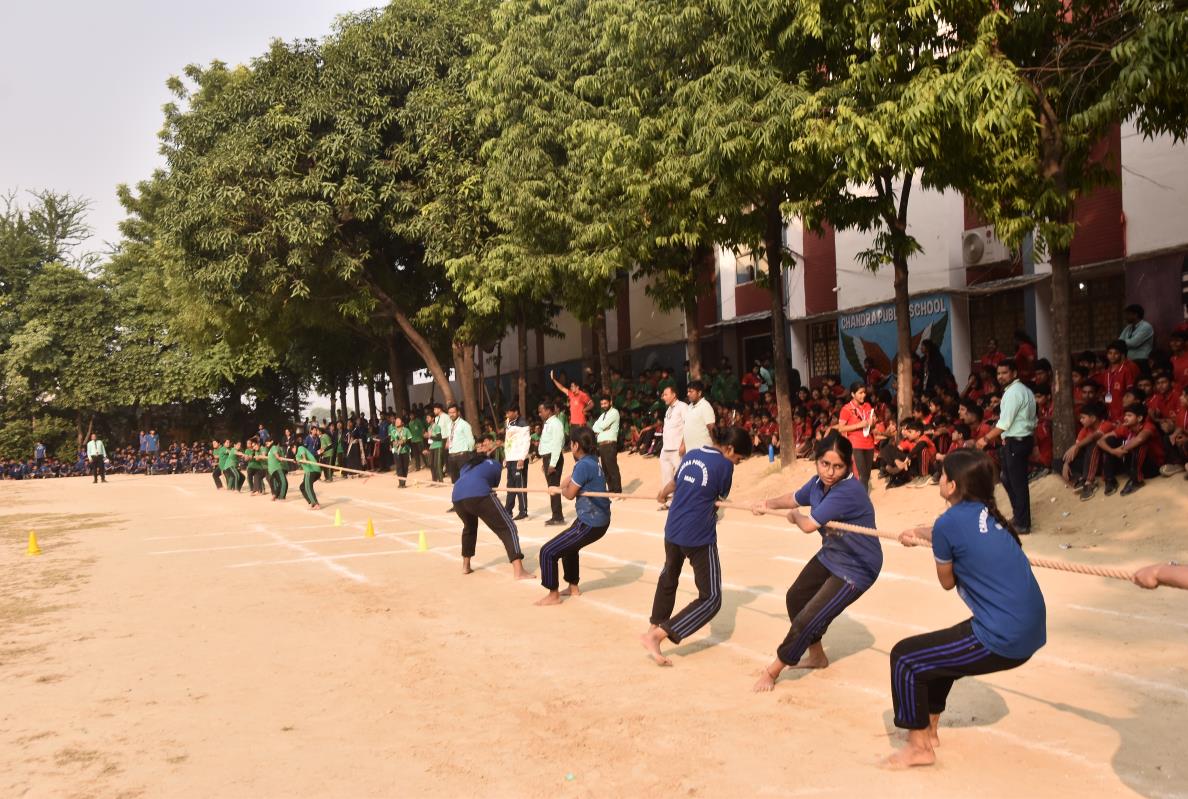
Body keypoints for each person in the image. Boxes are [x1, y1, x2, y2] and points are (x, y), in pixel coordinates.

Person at [886, 449, 1046, 769]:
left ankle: (919, 748)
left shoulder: (949, 523)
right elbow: (950, 533)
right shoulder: (987, 514)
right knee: (938, 655)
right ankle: (930, 731)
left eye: (943, 475)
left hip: (1003, 638)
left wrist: (939, 544)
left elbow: (946, 582)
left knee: (905, 656)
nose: (940, 479)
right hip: (1030, 630)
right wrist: (920, 533)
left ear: (952, 486)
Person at [751, 432, 883, 691]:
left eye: (838, 466)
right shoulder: (817, 484)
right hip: (833, 553)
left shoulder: (848, 491)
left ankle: (772, 671)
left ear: (848, 466)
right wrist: (767, 504)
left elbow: (808, 525)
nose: (830, 472)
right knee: (796, 598)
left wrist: (795, 517)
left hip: (857, 567)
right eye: (825, 464)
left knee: (808, 618)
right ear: (817, 460)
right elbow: (794, 498)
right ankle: (817, 656)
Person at [640, 426, 753, 667]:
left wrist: (662, 493)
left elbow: (675, 483)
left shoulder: (692, 453)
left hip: (673, 529)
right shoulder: (725, 466)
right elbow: (719, 497)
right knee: (711, 598)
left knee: (669, 576)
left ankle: (654, 625)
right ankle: (657, 635)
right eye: (739, 458)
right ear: (730, 449)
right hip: (698, 536)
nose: (737, 462)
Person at [535, 428, 612, 606]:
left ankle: (553, 595)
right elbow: (566, 482)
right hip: (597, 520)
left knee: (548, 551)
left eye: (571, 444)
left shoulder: (584, 465)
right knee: (569, 548)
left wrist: (559, 491)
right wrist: (558, 487)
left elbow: (569, 494)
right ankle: (573, 587)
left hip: (590, 522)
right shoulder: (592, 461)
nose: (570, 447)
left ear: (576, 445)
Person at [451, 439, 533, 579]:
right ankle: (519, 571)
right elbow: (493, 486)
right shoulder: (494, 464)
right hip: (479, 494)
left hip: (457, 498)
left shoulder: (466, 466)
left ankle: (466, 566)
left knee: (469, 528)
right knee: (508, 527)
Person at [976, 359, 1036, 533]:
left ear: (1014, 373)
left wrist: (985, 439)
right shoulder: (1023, 390)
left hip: (1016, 441)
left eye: (1004, 373)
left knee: (1017, 483)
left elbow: (1004, 424)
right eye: (999, 373)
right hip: (1019, 440)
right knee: (1007, 478)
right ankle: (1019, 518)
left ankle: (1022, 523)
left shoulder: (1013, 393)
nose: (1000, 376)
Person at [1097, 402, 1164, 495]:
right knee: (1110, 440)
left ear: (1139, 418)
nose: (1125, 418)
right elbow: (1100, 441)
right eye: (1125, 415)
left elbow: (1140, 439)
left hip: (1153, 467)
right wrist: (1113, 451)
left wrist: (1123, 449)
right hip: (1132, 465)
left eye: (1129, 415)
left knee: (1139, 443)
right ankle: (1110, 480)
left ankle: (1136, 481)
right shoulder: (1126, 428)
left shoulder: (1148, 426)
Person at [1062, 402, 1113, 500]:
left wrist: (1076, 446)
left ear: (1093, 418)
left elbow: (1094, 436)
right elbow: (1075, 450)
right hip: (1089, 462)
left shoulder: (1106, 425)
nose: (1081, 420)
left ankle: (1089, 482)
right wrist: (1066, 463)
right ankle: (1079, 480)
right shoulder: (1084, 430)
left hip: (1105, 463)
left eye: (1083, 417)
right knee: (1058, 461)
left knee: (1093, 444)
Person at [836, 382, 876, 489]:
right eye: (860, 393)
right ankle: (861, 497)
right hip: (855, 444)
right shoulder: (846, 409)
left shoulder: (867, 406)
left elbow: (871, 424)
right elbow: (841, 428)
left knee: (866, 475)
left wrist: (873, 422)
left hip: (869, 443)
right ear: (853, 394)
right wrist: (859, 425)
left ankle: (862, 496)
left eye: (864, 392)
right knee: (861, 475)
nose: (863, 395)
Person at [658, 385, 688, 509]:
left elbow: (688, 426)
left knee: (679, 475)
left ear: (674, 394)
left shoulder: (683, 407)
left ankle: (681, 500)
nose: (663, 397)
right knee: (666, 475)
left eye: (666, 394)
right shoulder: (668, 409)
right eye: (663, 395)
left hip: (677, 448)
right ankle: (670, 500)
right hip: (666, 448)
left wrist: (684, 444)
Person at [538, 401, 566, 526]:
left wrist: (552, 463)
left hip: (553, 458)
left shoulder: (555, 423)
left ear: (548, 410)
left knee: (553, 487)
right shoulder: (548, 423)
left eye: (541, 411)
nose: (540, 414)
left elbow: (557, 444)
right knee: (551, 487)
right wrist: (545, 461)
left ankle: (558, 517)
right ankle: (556, 515)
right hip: (548, 458)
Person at [502, 405, 531, 520]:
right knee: (510, 486)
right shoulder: (507, 422)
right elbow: (507, 440)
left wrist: (522, 458)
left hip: (519, 459)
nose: (507, 415)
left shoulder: (523, 423)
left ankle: (523, 511)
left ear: (516, 412)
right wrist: (506, 456)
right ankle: (508, 511)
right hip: (510, 458)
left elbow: (526, 441)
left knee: (520, 486)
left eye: (509, 412)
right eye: (506, 413)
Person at [591, 395, 623, 495]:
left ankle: (618, 491)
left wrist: (601, 428)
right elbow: (594, 427)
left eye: (605, 403)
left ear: (610, 402)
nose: (603, 405)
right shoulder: (602, 415)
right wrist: (602, 428)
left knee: (612, 468)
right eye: (602, 404)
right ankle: (611, 490)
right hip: (602, 445)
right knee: (605, 469)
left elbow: (602, 426)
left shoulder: (614, 412)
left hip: (610, 444)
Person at [1119, 304, 1155, 375]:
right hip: (1129, 361)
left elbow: (1134, 343)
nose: (1126, 317)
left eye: (1128, 314)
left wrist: (1122, 343)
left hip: (1142, 361)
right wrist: (1122, 342)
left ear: (1135, 315)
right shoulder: (1128, 327)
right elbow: (1118, 342)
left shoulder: (1146, 326)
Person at [682, 380, 716, 453]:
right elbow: (686, 427)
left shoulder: (705, 406)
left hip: (703, 451)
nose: (688, 394)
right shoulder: (689, 406)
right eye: (688, 392)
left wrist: (715, 446)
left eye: (691, 392)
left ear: (699, 393)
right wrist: (683, 444)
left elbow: (711, 428)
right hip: (690, 451)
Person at [446, 403, 475, 483]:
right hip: (451, 456)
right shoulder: (449, 425)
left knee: (465, 479)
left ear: (458, 412)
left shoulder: (464, 424)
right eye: (450, 413)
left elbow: (471, 441)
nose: (451, 414)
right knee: (455, 481)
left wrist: (469, 454)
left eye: (453, 412)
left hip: (462, 456)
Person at [294, 441, 322, 509]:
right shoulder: (297, 456)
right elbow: (302, 463)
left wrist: (304, 459)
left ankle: (315, 504)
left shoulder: (300, 448)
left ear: (295, 447)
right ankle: (311, 502)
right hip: (313, 471)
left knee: (308, 487)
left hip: (311, 470)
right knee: (302, 487)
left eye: (292, 448)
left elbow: (304, 456)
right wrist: (297, 462)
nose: (292, 450)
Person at [389, 414, 413, 488]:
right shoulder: (393, 431)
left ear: (402, 422)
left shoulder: (406, 430)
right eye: (396, 421)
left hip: (405, 451)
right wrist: (395, 443)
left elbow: (410, 440)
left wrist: (404, 442)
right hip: (397, 451)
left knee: (405, 467)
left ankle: (404, 482)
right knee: (399, 467)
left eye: (398, 421)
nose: (396, 422)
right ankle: (400, 483)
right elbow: (391, 441)